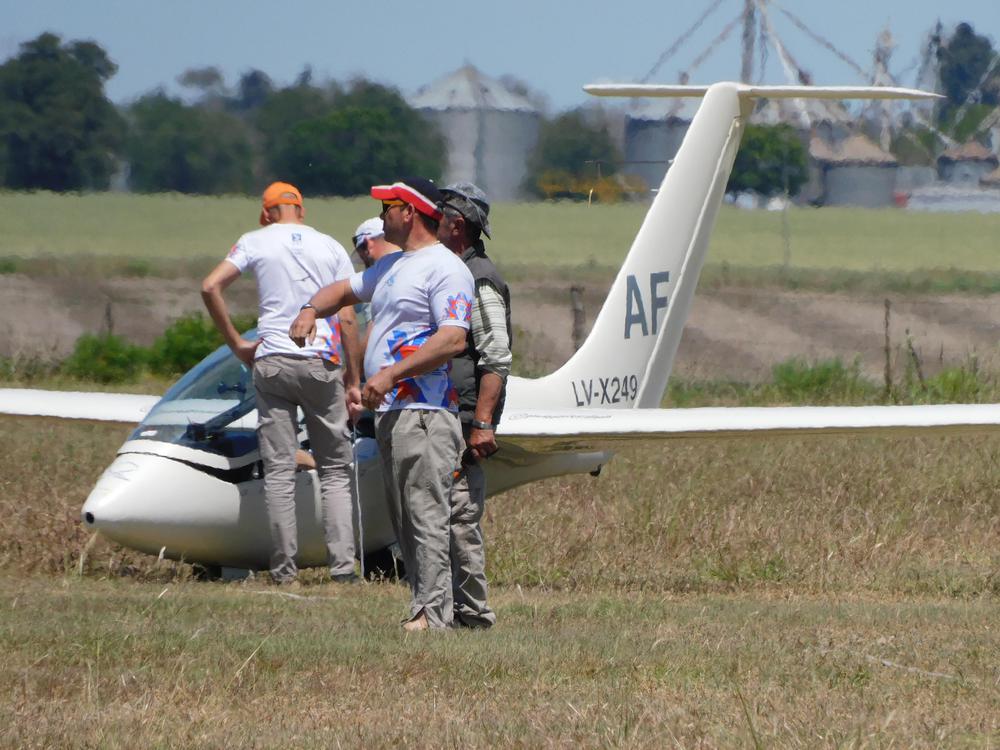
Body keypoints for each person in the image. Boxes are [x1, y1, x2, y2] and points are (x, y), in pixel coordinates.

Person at [290, 177, 474, 631]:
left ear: (409, 213)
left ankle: (434, 616)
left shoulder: (445, 268)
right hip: (394, 412)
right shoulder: (393, 267)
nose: (382, 216)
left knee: (426, 515)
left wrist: (390, 374)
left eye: (388, 207)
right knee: (405, 518)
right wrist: (310, 310)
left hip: (426, 413)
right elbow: (342, 292)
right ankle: (423, 609)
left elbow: (452, 338)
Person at [201, 181, 361, 585]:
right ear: (300, 211)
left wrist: (237, 343)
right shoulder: (331, 247)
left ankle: (284, 571)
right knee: (336, 471)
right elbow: (346, 317)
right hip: (321, 362)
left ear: (268, 213)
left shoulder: (254, 241)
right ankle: (343, 570)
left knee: (278, 469)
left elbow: (210, 286)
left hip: (271, 359)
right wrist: (353, 376)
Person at [437, 182, 512, 629]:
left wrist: (482, 422)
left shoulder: (478, 276)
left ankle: (474, 615)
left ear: (457, 226)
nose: (432, 222)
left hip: (466, 420)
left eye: (439, 216)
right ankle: (446, 609)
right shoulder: (452, 271)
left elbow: (495, 356)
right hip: (451, 414)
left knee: (461, 517)